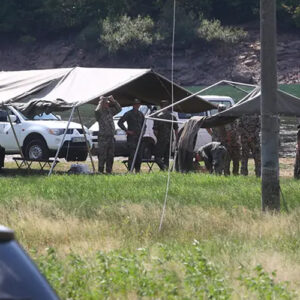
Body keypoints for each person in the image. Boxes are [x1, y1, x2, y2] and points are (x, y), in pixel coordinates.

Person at [210, 104, 240, 175]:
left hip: (217, 142)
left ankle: (221, 173)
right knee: (227, 159)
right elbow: (228, 131)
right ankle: (227, 173)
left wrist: (212, 134)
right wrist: (229, 141)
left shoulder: (214, 117)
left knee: (218, 158)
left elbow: (208, 126)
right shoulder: (225, 119)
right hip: (226, 142)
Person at [95, 95, 121, 173]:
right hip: (103, 138)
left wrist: (113, 101)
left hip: (111, 137)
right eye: (106, 103)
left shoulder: (110, 111)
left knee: (110, 155)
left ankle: (109, 170)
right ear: (102, 104)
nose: (107, 105)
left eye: (108, 103)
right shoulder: (99, 113)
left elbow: (119, 109)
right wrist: (101, 101)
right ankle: (100, 170)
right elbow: (96, 110)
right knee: (102, 155)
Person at [118, 98, 145, 172]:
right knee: (132, 155)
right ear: (133, 105)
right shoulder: (128, 113)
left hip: (139, 138)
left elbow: (144, 125)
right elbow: (120, 122)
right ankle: (130, 170)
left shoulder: (141, 114)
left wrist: (143, 133)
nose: (137, 105)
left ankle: (138, 170)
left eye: (138, 104)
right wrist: (127, 130)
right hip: (132, 138)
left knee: (139, 155)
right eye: (136, 104)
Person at [153, 100, 179, 171]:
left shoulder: (157, 116)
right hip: (170, 139)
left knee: (157, 157)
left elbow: (155, 130)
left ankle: (164, 168)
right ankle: (166, 169)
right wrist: (177, 139)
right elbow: (176, 129)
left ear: (161, 107)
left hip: (161, 139)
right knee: (167, 156)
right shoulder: (172, 117)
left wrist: (157, 138)